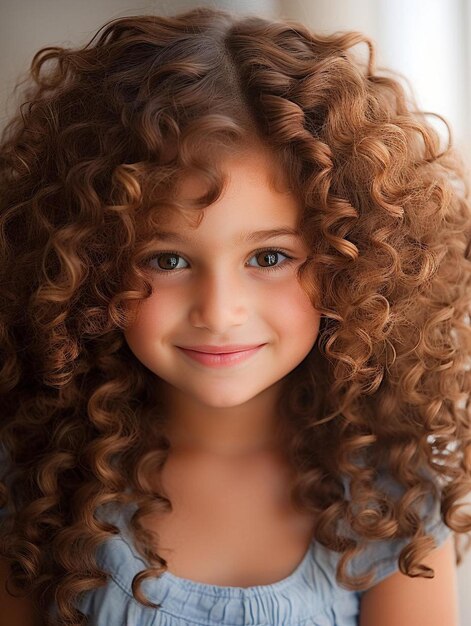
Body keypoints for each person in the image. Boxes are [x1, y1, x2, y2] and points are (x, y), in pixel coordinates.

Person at [0, 5, 469, 626]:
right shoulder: (37, 483)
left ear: (354, 267)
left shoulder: (389, 503)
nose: (219, 312)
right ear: (86, 264)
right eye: (166, 259)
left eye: (269, 256)